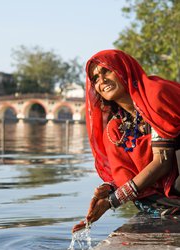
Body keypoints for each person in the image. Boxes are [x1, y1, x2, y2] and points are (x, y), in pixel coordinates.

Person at [73, 49, 180, 233]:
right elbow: (127, 172)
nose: (101, 80)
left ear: (123, 69)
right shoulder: (116, 128)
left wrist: (111, 202)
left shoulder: (156, 94)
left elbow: (162, 161)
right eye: (95, 78)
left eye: (106, 71)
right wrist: (108, 189)